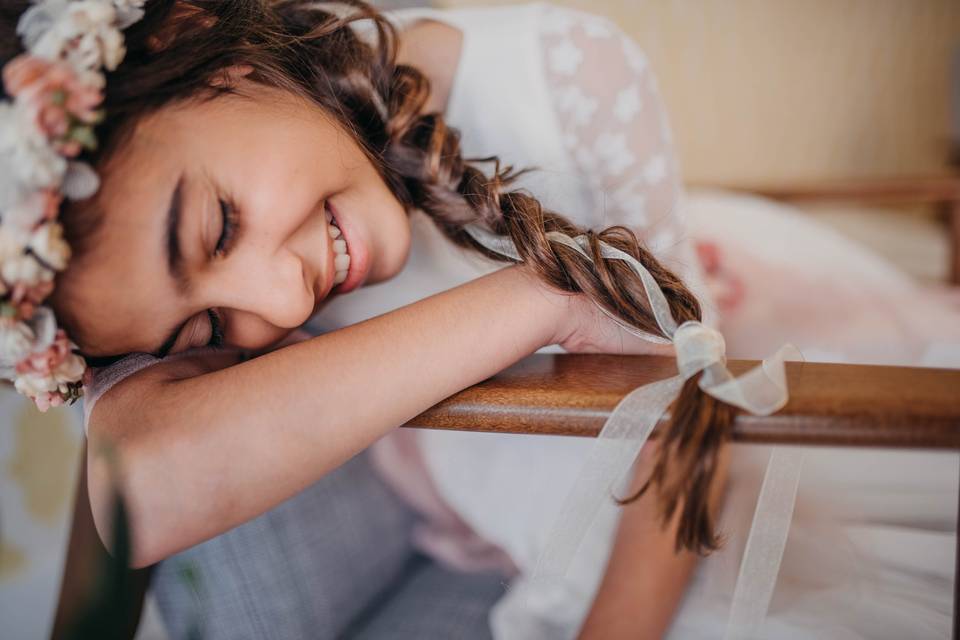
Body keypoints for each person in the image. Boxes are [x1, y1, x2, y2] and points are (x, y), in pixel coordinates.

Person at [2, 1, 957, 638]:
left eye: (218, 226)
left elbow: (687, 433)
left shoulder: (563, 79)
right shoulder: (174, 285)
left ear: (200, 35)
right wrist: (541, 295)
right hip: (482, 524)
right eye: (206, 334)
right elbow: (148, 484)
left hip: (670, 522)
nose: (283, 303)